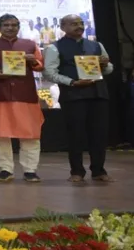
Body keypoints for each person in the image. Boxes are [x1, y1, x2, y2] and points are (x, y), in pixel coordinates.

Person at [43, 14, 115, 183]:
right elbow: (49, 73)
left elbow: (109, 69)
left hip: (98, 94)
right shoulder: (54, 48)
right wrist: (73, 82)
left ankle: (98, 171)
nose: (79, 26)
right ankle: (77, 171)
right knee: (75, 134)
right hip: (73, 95)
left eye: (81, 23)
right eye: (73, 24)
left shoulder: (96, 45)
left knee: (99, 134)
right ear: (62, 27)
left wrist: (105, 66)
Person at [0, 14, 44, 183]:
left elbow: (40, 66)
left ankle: (30, 170)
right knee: (1, 135)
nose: (10, 28)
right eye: (6, 25)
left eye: (14, 25)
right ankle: (5, 169)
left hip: (25, 95)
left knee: (30, 135)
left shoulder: (30, 45)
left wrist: (32, 61)